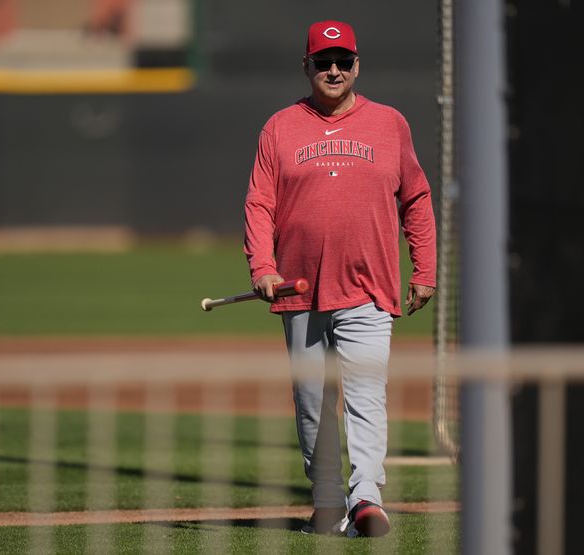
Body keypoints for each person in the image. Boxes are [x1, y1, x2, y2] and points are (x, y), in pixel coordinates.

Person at [243, 20, 436, 537]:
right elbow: (260, 203)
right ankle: (327, 501)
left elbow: (415, 197)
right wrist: (262, 266)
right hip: (299, 291)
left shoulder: (390, 123)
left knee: (366, 396)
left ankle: (366, 497)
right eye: (323, 61)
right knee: (312, 404)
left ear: (357, 65)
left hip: (369, 287)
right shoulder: (280, 126)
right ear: (306, 66)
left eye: (343, 61)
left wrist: (425, 269)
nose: (333, 70)